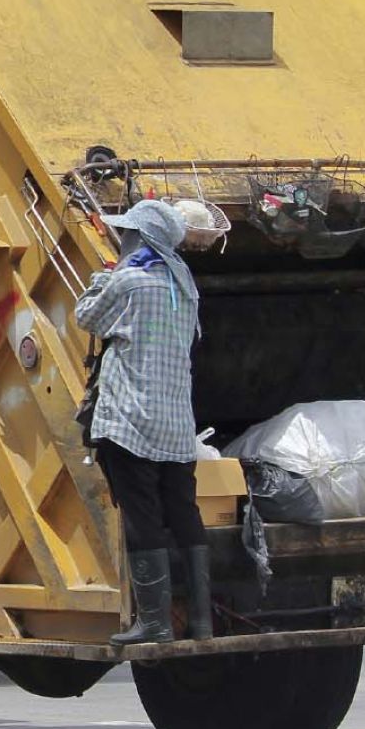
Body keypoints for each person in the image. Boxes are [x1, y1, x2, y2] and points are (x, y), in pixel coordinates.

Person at [76, 199, 211, 644]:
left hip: (132, 421)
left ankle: (154, 622)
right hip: (176, 423)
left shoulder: (130, 280)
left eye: (130, 233)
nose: (125, 238)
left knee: (142, 517)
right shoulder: (185, 283)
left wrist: (103, 278)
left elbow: (86, 316)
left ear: (142, 237)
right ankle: (202, 620)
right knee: (183, 512)